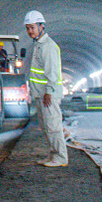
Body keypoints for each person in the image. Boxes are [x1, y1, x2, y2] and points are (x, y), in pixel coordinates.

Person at [26, 10, 67, 167]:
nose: (30, 31)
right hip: (41, 94)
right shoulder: (39, 45)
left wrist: (49, 91)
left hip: (48, 95)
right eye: (27, 28)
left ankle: (61, 157)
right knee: (46, 127)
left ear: (41, 26)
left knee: (53, 126)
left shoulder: (48, 46)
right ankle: (53, 155)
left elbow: (52, 72)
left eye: (32, 27)